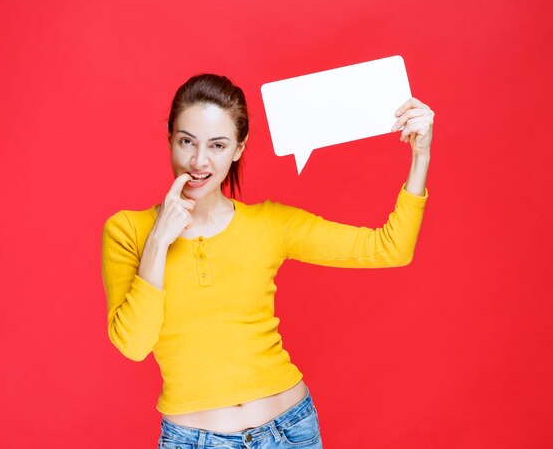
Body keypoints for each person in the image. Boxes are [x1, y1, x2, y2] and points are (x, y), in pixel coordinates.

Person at [101, 73, 433, 448]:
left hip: (289, 431)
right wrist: (160, 238)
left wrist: (420, 156)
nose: (198, 160)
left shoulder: (269, 223)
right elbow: (134, 343)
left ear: (239, 149)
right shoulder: (128, 230)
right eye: (186, 141)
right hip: (192, 440)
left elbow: (390, 248)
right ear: (170, 138)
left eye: (218, 145)